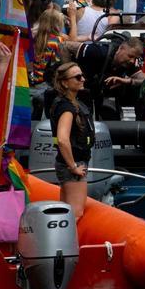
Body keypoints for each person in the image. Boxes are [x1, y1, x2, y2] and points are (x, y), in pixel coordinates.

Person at [49, 61, 94, 221]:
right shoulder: (66, 108)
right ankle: (67, 245)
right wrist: (73, 166)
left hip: (68, 163)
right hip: (73, 164)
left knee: (66, 210)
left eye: (82, 76)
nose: (82, 79)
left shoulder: (65, 103)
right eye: (77, 77)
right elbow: (62, 139)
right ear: (65, 83)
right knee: (75, 213)